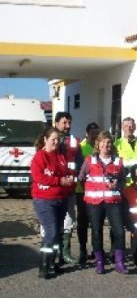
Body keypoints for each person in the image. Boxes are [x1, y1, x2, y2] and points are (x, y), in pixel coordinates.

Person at [78, 131, 128, 274]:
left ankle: (119, 262)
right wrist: (91, 190)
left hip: (113, 201)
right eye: (103, 142)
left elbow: (123, 180)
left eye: (108, 142)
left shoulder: (118, 161)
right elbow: (81, 178)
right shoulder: (89, 161)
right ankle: (99, 262)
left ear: (112, 145)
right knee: (97, 231)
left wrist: (117, 185)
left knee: (119, 231)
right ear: (98, 144)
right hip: (95, 202)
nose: (106, 145)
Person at [31, 127, 73, 279]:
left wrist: (69, 178)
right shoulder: (40, 157)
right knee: (51, 232)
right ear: (45, 140)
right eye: (53, 139)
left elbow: (65, 173)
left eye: (58, 139)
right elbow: (39, 178)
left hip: (61, 199)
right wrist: (59, 180)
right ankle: (43, 267)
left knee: (57, 233)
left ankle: (53, 263)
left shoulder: (60, 156)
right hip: (44, 200)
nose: (56, 142)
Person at [54, 111, 83, 265]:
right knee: (53, 222)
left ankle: (65, 252)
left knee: (69, 220)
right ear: (56, 123)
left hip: (70, 189)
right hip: (54, 189)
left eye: (69, 123)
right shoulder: (50, 140)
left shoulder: (74, 141)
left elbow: (80, 164)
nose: (67, 126)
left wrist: (78, 177)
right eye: (64, 122)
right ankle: (54, 254)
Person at [75, 122, 100, 265]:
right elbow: (79, 170)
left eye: (97, 133)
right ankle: (83, 250)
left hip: (97, 192)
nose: (95, 136)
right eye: (92, 133)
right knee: (83, 222)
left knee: (96, 222)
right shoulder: (81, 148)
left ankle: (95, 251)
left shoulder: (100, 148)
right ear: (87, 133)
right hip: (82, 191)